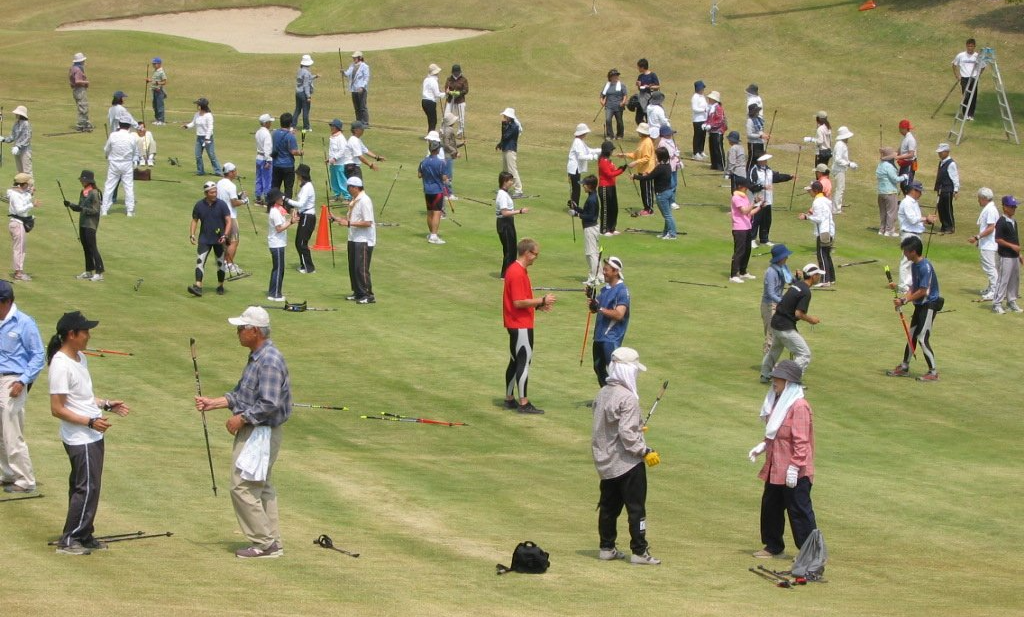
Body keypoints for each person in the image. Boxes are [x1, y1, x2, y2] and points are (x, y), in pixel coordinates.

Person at [194, 306, 292, 559]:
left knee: (242, 486)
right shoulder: (257, 357)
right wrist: (215, 403)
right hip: (259, 431)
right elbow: (241, 394)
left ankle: (264, 544)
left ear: (255, 331)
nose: (237, 332)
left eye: (241, 328)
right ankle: (272, 542)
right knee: (261, 486)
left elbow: (269, 403)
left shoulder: (269, 361)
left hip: (260, 433)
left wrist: (242, 418)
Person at [47, 310, 131, 555]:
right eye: (85, 331)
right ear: (71, 334)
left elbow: (82, 397)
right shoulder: (60, 365)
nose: (89, 335)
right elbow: (57, 409)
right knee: (86, 487)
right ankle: (70, 539)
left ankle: (84, 534)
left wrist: (106, 404)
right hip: (80, 437)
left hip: (91, 434)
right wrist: (90, 422)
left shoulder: (80, 358)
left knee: (89, 486)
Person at [591, 346, 661, 566]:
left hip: (605, 462)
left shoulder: (602, 393)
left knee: (608, 507)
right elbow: (627, 434)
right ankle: (639, 551)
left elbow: (609, 426)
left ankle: (606, 547)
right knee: (636, 509)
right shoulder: (628, 398)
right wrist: (645, 451)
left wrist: (635, 428)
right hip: (627, 463)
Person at [747, 359, 818, 559]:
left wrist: (794, 467)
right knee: (771, 506)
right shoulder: (778, 401)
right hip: (776, 466)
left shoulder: (799, 406)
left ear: (789, 382)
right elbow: (775, 433)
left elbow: (801, 441)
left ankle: (810, 552)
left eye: (778, 379)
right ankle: (773, 546)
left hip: (795, 470)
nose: (774, 382)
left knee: (799, 511)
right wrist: (763, 445)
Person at [502, 238, 556, 414]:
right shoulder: (517, 272)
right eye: (535, 254)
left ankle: (509, 398)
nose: (536, 258)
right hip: (521, 324)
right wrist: (541, 300)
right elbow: (518, 302)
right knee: (523, 362)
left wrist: (538, 306)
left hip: (515, 322)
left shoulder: (516, 270)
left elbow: (521, 300)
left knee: (515, 360)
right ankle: (523, 403)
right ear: (527, 253)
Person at [0, 280, 43, 494]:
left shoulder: (25, 323)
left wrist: (22, 381)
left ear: (7, 301)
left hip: (13, 380)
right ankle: (7, 474)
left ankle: (25, 479)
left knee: (12, 430)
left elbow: (38, 355)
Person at [886, 236, 941, 381]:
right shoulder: (914, 265)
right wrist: (902, 298)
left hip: (929, 305)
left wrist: (904, 300)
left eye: (906, 251)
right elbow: (913, 288)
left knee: (922, 338)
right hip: (920, 305)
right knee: (912, 336)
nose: (904, 253)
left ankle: (933, 372)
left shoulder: (924, 267)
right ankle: (904, 366)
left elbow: (923, 291)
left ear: (913, 252)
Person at [760, 264, 823, 382]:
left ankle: (765, 375)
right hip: (785, 327)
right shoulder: (806, 291)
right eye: (818, 275)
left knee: (774, 350)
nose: (819, 277)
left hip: (776, 322)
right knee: (804, 354)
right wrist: (812, 320)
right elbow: (798, 313)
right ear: (813, 276)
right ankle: (791, 380)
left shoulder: (797, 285)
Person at [329, 176, 376, 304]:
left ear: (355, 188)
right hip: (354, 238)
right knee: (353, 267)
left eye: (349, 187)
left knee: (361, 268)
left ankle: (368, 294)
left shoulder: (365, 201)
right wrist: (337, 219)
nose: (348, 190)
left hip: (364, 239)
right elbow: (352, 219)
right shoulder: (355, 200)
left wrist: (349, 223)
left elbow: (368, 222)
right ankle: (358, 292)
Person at [589, 257, 630, 386]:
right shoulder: (605, 289)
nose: (604, 272)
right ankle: (607, 394)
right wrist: (591, 298)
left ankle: (621, 396)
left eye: (606, 270)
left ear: (615, 271)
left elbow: (619, 314)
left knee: (615, 372)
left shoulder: (622, 290)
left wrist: (599, 308)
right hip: (599, 337)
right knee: (598, 368)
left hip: (611, 338)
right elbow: (595, 309)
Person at [188, 181, 232, 297]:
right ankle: (198, 286)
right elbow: (194, 220)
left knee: (220, 262)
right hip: (204, 239)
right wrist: (192, 235)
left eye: (215, 192)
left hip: (219, 239)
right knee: (200, 261)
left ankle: (220, 285)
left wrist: (225, 235)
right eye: (212, 192)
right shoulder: (199, 205)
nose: (214, 194)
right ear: (206, 193)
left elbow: (228, 221)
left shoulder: (222, 204)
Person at [64, 170, 105, 282]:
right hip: (82, 223)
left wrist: (82, 209)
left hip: (91, 224)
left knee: (92, 247)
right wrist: (70, 205)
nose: (81, 182)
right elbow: (79, 207)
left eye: (83, 180)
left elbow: (95, 210)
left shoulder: (95, 193)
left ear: (89, 181)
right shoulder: (83, 192)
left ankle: (99, 272)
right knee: (86, 247)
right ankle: (89, 271)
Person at [897, 181, 937, 292]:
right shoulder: (907, 202)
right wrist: (926, 218)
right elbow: (912, 219)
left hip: (915, 233)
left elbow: (917, 219)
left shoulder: (914, 203)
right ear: (913, 191)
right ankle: (903, 286)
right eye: (919, 191)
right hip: (909, 234)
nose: (921, 194)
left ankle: (909, 284)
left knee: (913, 260)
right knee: (906, 260)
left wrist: (926, 221)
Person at [749, 154, 793, 248]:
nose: (766, 162)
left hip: (768, 200)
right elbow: (751, 185)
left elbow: (777, 177)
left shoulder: (768, 170)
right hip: (757, 200)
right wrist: (762, 187)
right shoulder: (754, 170)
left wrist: (789, 177)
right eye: (764, 160)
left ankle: (764, 239)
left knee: (766, 220)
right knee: (755, 220)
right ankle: (752, 239)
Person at [633, 146, 677, 240]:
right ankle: (666, 232)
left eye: (656, 156)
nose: (655, 157)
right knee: (667, 214)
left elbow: (648, 178)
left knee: (667, 215)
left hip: (662, 194)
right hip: (668, 192)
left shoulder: (660, 167)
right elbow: (655, 175)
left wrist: (635, 177)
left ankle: (672, 234)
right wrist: (649, 174)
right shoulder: (667, 166)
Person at [799, 181, 835, 287]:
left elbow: (819, 218)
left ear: (815, 191)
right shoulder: (826, 200)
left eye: (810, 191)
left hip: (823, 231)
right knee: (826, 255)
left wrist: (806, 217)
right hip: (829, 230)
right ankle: (831, 278)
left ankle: (825, 280)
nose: (809, 192)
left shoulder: (817, 202)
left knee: (822, 256)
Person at [761, 244, 794, 355]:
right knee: (771, 334)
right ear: (780, 258)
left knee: (777, 335)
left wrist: (798, 278)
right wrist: (783, 302)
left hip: (778, 304)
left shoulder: (783, 268)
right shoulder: (771, 272)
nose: (787, 257)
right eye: (785, 256)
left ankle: (770, 361)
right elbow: (770, 293)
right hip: (769, 305)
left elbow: (791, 281)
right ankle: (767, 362)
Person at [968, 187, 1000, 301]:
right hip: (987, 243)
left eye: (979, 198)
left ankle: (995, 291)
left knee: (990, 268)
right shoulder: (990, 208)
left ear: (984, 198)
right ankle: (991, 288)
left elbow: (991, 228)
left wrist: (977, 237)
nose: (978, 200)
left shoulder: (990, 210)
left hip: (989, 245)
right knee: (991, 267)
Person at [991, 195, 1021, 314]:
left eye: (1015, 207)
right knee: (1003, 280)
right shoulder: (1001, 222)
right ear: (1005, 207)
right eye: (1012, 207)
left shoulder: (1014, 222)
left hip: (1014, 256)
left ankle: (1011, 301)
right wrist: (1012, 246)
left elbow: (1015, 240)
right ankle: (997, 303)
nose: (1014, 209)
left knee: (1014, 280)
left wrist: (1019, 254)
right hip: (1005, 256)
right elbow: (998, 239)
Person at [217, 163, 248, 276]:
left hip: (220, 215)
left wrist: (238, 195)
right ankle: (229, 265)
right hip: (230, 216)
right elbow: (234, 203)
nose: (236, 173)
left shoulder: (219, 183)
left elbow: (227, 197)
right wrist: (244, 201)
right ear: (230, 173)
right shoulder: (231, 185)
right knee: (234, 241)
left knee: (226, 241)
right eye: (234, 171)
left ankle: (225, 262)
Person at [101, 121, 137, 217]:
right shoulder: (132, 137)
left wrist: (107, 155)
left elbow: (106, 149)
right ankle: (130, 211)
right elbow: (134, 151)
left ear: (119, 125)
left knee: (109, 186)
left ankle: (104, 209)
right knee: (128, 187)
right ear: (129, 126)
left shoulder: (113, 135)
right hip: (127, 164)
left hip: (115, 163)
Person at [570, 175, 602, 283]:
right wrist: (576, 208)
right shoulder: (592, 196)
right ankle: (600, 276)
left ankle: (593, 278)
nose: (583, 186)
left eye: (584, 185)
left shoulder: (592, 199)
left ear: (589, 186)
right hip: (592, 228)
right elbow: (586, 212)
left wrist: (577, 214)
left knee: (591, 254)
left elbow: (591, 216)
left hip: (591, 228)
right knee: (594, 253)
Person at [285, 164, 316, 273]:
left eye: (298, 174)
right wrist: (297, 212)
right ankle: (304, 265)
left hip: (308, 217)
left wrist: (286, 200)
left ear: (302, 175)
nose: (297, 176)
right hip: (304, 215)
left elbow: (301, 204)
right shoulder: (305, 186)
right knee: (298, 242)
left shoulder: (307, 187)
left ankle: (309, 268)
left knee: (302, 243)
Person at [495, 172, 527, 278]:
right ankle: (506, 274)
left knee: (511, 248)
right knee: (510, 249)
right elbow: (504, 212)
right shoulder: (503, 195)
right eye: (510, 180)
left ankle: (509, 272)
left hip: (506, 222)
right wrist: (520, 211)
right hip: (505, 223)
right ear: (504, 182)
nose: (512, 182)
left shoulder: (504, 193)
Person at [730, 178, 762, 283]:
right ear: (740, 186)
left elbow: (749, 213)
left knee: (747, 250)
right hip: (739, 228)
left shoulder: (744, 197)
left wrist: (760, 206)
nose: (747, 188)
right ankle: (733, 274)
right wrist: (754, 202)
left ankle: (742, 271)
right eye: (745, 187)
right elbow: (744, 211)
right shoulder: (736, 197)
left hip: (747, 226)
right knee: (739, 251)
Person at [620, 123, 656, 215]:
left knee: (647, 190)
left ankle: (649, 209)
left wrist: (635, 162)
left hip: (647, 170)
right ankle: (646, 208)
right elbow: (636, 154)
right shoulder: (642, 141)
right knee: (643, 190)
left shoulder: (647, 142)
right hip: (641, 169)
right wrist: (625, 155)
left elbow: (646, 158)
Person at [7, 172, 38, 282]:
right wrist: (32, 205)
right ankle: (18, 273)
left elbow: (24, 198)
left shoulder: (18, 193)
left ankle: (19, 271)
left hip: (18, 223)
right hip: (17, 223)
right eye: (27, 184)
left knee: (20, 249)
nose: (29, 186)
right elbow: (20, 210)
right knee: (19, 249)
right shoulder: (15, 195)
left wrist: (31, 194)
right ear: (23, 184)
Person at [418, 139, 448, 245]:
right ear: (437, 150)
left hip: (427, 190)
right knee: (437, 213)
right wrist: (446, 179)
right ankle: (434, 236)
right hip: (437, 190)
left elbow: (419, 175)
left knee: (430, 212)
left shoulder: (423, 162)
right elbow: (444, 177)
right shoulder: (441, 163)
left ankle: (432, 233)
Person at [265, 189, 294, 302]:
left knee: (277, 268)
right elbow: (279, 228)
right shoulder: (275, 212)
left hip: (278, 243)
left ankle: (273, 292)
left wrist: (291, 220)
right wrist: (291, 222)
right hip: (277, 244)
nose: (282, 199)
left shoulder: (276, 210)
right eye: (279, 197)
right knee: (278, 269)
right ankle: (276, 294)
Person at [182, 97, 222, 177]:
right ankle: (200, 171)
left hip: (207, 138)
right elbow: (193, 123)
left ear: (202, 106)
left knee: (211, 155)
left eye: (198, 105)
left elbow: (210, 127)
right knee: (198, 155)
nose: (197, 106)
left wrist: (207, 138)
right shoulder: (197, 114)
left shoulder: (208, 115)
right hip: (199, 138)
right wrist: (187, 126)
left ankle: (218, 171)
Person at [567, 123, 600, 210]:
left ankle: (574, 207)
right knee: (576, 189)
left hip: (576, 168)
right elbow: (581, 156)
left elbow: (589, 150)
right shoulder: (577, 142)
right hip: (574, 169)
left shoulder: (580, 141)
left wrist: (600, 150)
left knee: (576, 188)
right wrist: (593, 157)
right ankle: (574, 208)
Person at [876, 147, 906, 237]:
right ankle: (889, 231)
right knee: (891, 212)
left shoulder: (880, 165)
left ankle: (882, 229)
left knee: (883, 212)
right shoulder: (889, 166)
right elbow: (895, 179)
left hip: (881, 192)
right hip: (890, 192)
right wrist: (904, 177)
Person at [952, 38, 984, 121]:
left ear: (974, 46)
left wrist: (978, 74)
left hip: (973, 78)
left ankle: (971, 114)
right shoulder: (961, 55)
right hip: (964, 78)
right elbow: (954, 65)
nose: (970, 48)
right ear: (966, 46)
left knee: (973, 96)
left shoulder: (977, 56)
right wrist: (957, 75)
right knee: (966, 96)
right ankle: (965, 113)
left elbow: (983, 66)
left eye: (972, 46)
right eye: (969, 46)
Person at [598, 141, 626, 235]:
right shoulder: (603, 161)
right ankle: (604, 229)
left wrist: (620, 169)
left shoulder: (609, 160)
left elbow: (613, 172)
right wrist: (621, 170)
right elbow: (609, 174)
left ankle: (612, 228)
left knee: (614, 208)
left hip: (611, 186)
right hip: (604, 187)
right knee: (606, 209)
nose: (612, 151)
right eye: (611, 150)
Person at [271, 113, 301, 198]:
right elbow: (293, 151)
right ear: (290, 123)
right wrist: (300, 152)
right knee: (288, 188)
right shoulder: (290, 136)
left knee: (275, 187)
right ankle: (287, 204)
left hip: (276, 164)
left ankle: (272, 203)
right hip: (288, 165)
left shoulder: (274, 133)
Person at [497, 108, 523, 197]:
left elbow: (506, 136)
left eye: (505, 116)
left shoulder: (514, 126)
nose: (504, 117)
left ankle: (518, 190)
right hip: (505, 148)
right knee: (505, 171)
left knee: (512, 171)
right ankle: (505, 188)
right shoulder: (508, 125)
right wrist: (500, 144)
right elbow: (503, 137)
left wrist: (503, 126)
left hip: (510, 150)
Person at [934, 143, 960, 234]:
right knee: (941, 207)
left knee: (947, 208)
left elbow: (955, 177)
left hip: (947, 189)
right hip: (941, 189)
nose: (939, 154)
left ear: (947, 152)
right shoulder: (941, 162)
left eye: (941, 152)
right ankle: (944, 226)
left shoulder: (951, 164)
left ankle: (950, 227)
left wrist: (956, 190)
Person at [830, 126, 856, 214]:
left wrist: (850, 163)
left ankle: (837, 207)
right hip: (838, 170)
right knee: (840, 189)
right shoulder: (840, 145)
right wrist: (849, 164)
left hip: (840, 169)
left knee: (840, 188)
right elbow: (838, 159)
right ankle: (836, 209)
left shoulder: (841, 144)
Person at [1, 106, 32, 176]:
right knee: (20, 171)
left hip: (25, 150)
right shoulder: (16, 123)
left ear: (21, 114)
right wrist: (4, 139)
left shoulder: (26, 124)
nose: (16, 114)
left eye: (17, 113)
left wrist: (18, 146)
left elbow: (27, 138)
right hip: (16, 150)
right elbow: (13, 136)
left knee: (27, 171)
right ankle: (20, 183)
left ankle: (29, 183)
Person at [326, 119, 352, 202]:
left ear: (337, 127)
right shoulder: (333, 137)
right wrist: (329, 159)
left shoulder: (341, 138)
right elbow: (332, 151)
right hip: (333, 163)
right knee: (334, 180)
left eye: (332, 126)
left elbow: (342, 150)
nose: (331, 127)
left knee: (342, 180)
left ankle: (347, 197)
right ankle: (337, 195)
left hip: (340, 163)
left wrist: (334, 158)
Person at [342, 51, 370, 125]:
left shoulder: (365, 66)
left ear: (359, 58)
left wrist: (362, 87)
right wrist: (343, 72)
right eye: (353, 57)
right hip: (354, 89)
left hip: (361, 89)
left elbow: (366, 78)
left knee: (362, 106)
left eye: (355, 57)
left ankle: (365, 122)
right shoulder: (352, 65)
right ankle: (358, 121)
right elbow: (347, 74)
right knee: (356, 107)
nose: (354, 59)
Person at [440, 113, 463, 198]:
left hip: (447, 155)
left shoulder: (446, 129)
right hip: (447, 156)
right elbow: (447, 145)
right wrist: (455, 152)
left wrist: (461, 144)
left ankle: (446, 193)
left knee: (447, 175)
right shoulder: (449, 130)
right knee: (448, 176)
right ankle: (448, 194)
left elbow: (451, 144)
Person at [68, 52, 93, 132]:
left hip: (76, 90)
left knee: (82, 107)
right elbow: (77, 81)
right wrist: (86, 82)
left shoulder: (72, 68)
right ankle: (81, 125)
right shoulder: (78, 69)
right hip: (80, 90)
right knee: (83, 107)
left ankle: (85, 124)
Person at [600, 69, 627, 141]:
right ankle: (610, 135)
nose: (616, 77)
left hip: (619, 106)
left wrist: (623, 102)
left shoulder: (621, 85)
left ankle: (619, 135)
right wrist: (601, 101)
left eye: (617, 75)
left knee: (619, 121)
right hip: (609, 106)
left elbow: (625, 95)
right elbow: (602, 95)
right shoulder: (607, 85)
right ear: (610, 77)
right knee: (608, 120)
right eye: (614, 75)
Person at [293, 54, 317, 133]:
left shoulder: (300, 70)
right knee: (306, 110)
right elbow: (306, 85)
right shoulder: (306, 72)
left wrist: (315, 76)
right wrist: (308, 96)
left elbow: (305, 79)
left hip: (298, 92)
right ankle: (306, 127)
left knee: (297, 109)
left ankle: (293, 125)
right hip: (303, 93)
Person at [443, 64, 469, 136]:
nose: (456, 73)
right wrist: (448, 92)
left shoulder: (463, 80)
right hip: (450, 100)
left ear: (459, 72)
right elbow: (446, 88)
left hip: (460, 101)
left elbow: (466, 90)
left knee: (461, 117)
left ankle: (460, 132)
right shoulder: (449, 79)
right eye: (455, 72)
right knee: (446, 115)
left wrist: (459, 93)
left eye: (457, 72)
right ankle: (443, 130)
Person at [254, 114, 274, 205]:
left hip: (258, 157)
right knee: (267, 179)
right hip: (265, 159)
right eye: (269, 122)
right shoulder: (267, 134)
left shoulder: (258, 132)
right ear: (266, 123)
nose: (270, 124)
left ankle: (258, 197)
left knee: (258, 178)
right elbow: (267, 148)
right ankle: (267, 199)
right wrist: (268, 161)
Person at [704, 91, 727, 171]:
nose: (709, 100)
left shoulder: (718, 108)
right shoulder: (711, 108)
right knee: (712, 148)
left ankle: (721, 165)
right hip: (712, 131)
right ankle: (714, 164)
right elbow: (709, 118)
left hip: (718, 131)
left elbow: (720, 120)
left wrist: (711, 125)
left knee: (718, 148)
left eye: (710, 98)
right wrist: (706, 124)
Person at [894, 119, 917, 194]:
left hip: (909, 164)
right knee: (902, 184)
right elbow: (900, 149)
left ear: (904, 129)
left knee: (906, 185)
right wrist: (893, 154)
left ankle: (910, 199)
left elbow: (911, 154)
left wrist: (898, 157)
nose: (899, 130)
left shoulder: (910, 139)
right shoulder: (905, 138)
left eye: (900, 128)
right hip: (904, 164)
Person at [634, 59, 660, 125]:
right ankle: (644, 128)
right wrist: (638, 85)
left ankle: (649, 129)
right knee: (638, 118)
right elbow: (640, 89)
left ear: (642, 67)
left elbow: (657, 86)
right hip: (641, 98)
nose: (638, 69)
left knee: (648, 116)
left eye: (639, 67)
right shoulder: (640, 76)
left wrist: (649, 87)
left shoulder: (652, 75)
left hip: (650, 98)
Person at [421, 63, 443, 132]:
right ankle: (431, 135)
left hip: (424, 101)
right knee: (433, 121)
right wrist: (446, 93)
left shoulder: (426, 79)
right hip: (430, 102)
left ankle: (430, 134)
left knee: (430, 120)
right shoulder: (434, 81)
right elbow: (437, 94)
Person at [146, 57, 167, 125]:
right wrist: (149, 80)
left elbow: (164, 82)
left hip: (159, 90)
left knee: (159, 106)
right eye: (153, 64)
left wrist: (157, 83)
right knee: (155, 106)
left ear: (159, 64)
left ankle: (161, 120)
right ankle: (157, 119)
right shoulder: (155, 71)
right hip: (154, 90)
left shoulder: (161, 72)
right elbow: (154, 80)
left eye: (155, 64)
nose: (153, 65)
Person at [690, 80, 708, 161]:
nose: (703, 90)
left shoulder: (702, 96)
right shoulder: (695, 97)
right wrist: (703, 110)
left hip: (704, 119)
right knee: (698, 136)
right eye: (701, 88)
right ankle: (695, 152)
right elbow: (695, 109)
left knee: (703, 135)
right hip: (697, 120)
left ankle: (701, 150)